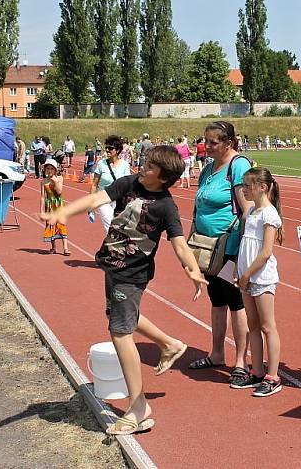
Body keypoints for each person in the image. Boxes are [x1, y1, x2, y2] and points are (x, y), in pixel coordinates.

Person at [41, 146, 208, 435]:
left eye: (151, 167)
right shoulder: (127, 183)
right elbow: (96, 198)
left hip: (132, 274)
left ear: (164, 177)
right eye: (145, 162)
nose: (143, 167)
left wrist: (192, 269)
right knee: (121, 316)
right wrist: (64, 210)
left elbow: (179, 242)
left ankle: (138, 406)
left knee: (120, 332)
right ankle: (169, 344)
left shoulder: (166, 205)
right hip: (111, 264)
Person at [187, 121, 253, 387]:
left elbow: (247, 208)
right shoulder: (208, 170)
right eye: (206, 141)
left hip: (229, 246)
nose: (207, 146)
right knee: (216, 300)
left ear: (229, 142)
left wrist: (243, 251)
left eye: (213, 142)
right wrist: (189, 240)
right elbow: (198, 207)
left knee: (235, 301)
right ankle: (216, 353)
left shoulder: (238, 166)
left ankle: (240, 361)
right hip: (206, 246)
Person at [230, 167, 284, 397]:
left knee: (267, 326)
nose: (243, 189)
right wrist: (239, 270)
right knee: (252, 325)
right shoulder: (251, 211)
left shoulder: (269, 214)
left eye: (247, 185)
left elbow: (265, 252)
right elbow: (246, 245)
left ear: (262, 187)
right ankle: (258, 371)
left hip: (260, 277)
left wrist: (246, 275)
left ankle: (273, 376)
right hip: (247, 276)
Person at [91, 136, 131, 232]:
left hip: (119, 200)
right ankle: (111, 246)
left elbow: (128, 184)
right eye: (107, 148)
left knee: (120, 227)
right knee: (109, 224)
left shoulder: (125, 165)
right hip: (103, 199)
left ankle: (112, 245)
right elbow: (94, 184)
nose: (108, 150)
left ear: (117, 150)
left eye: (111, 148)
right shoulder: (101, 164)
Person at [40, 159, 70, 255]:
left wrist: (55, 181)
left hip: (58, 205)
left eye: (51, 169)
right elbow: (42, 197)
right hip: (49, 207)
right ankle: (53, 247)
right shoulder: (43, 181)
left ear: (55, 170)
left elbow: (59, 192)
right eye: (48, 168)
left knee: (61, 225)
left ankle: (65, 248)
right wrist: (41, 211)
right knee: (50, 225)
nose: (49, 171)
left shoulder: (59, 178)